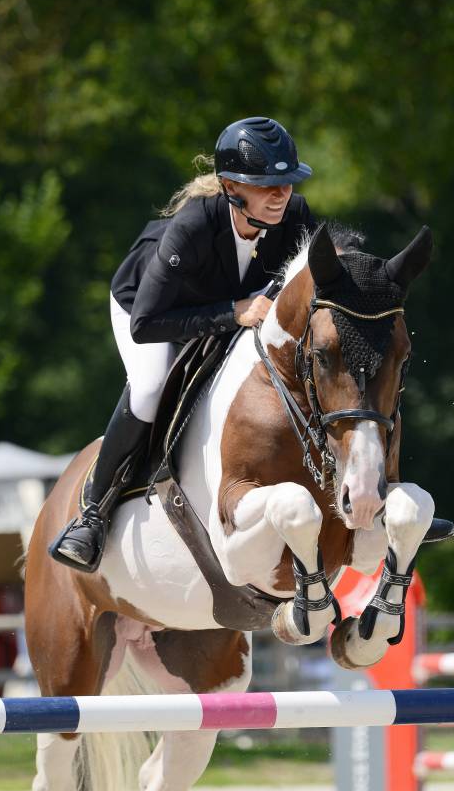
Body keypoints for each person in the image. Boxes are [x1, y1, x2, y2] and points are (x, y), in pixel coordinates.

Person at [49, 116, 316, 572]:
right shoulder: (192, 228)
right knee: (152, 383)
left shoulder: (295, 216)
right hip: (148, 307)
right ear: (232, 187)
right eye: (266, 184)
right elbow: (147, 323)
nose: (281, 194)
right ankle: (92, 512)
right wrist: (233, 312)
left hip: (231, 304)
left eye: (287, 182)